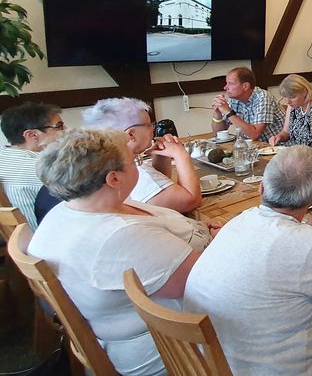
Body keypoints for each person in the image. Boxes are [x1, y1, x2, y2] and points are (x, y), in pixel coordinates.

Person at [29, 128, 213, 375]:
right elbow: (202, 281)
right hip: (172, 349)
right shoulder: (118, 235)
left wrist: (200, 230)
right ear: (113, 179)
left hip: (147, 327)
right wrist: (225, 241)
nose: (138, 165)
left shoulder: (72, 210)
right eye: (133, 161)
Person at [184, 146, 312, 375]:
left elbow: (298, 244)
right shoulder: (307, 245)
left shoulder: (242, 219)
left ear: (262, 188)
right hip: (282, 368)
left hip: (212, 364)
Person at [82, 98, 202, 213]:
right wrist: (181, 154)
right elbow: (192, 201)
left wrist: (162, 155)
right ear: (131, 135)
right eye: (149, 125)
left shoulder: (109, 162)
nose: (153, 129)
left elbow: (160, 186)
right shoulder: (133, 172)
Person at [0, 102, 63, 228]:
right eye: (59, 127)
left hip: (20, 241)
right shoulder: (43, 168)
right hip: (48, 239)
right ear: (32, 135)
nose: (66, 131)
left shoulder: (4, 156)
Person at [211, 67, 284, 143]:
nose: (225, 87)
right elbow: (218, 134)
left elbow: (254, 135)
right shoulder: (234, 100)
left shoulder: (263, 98)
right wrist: (217, 113)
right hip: (253, 148)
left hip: (277, 149)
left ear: (245, 86)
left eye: (231, 84)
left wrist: (229, 112)